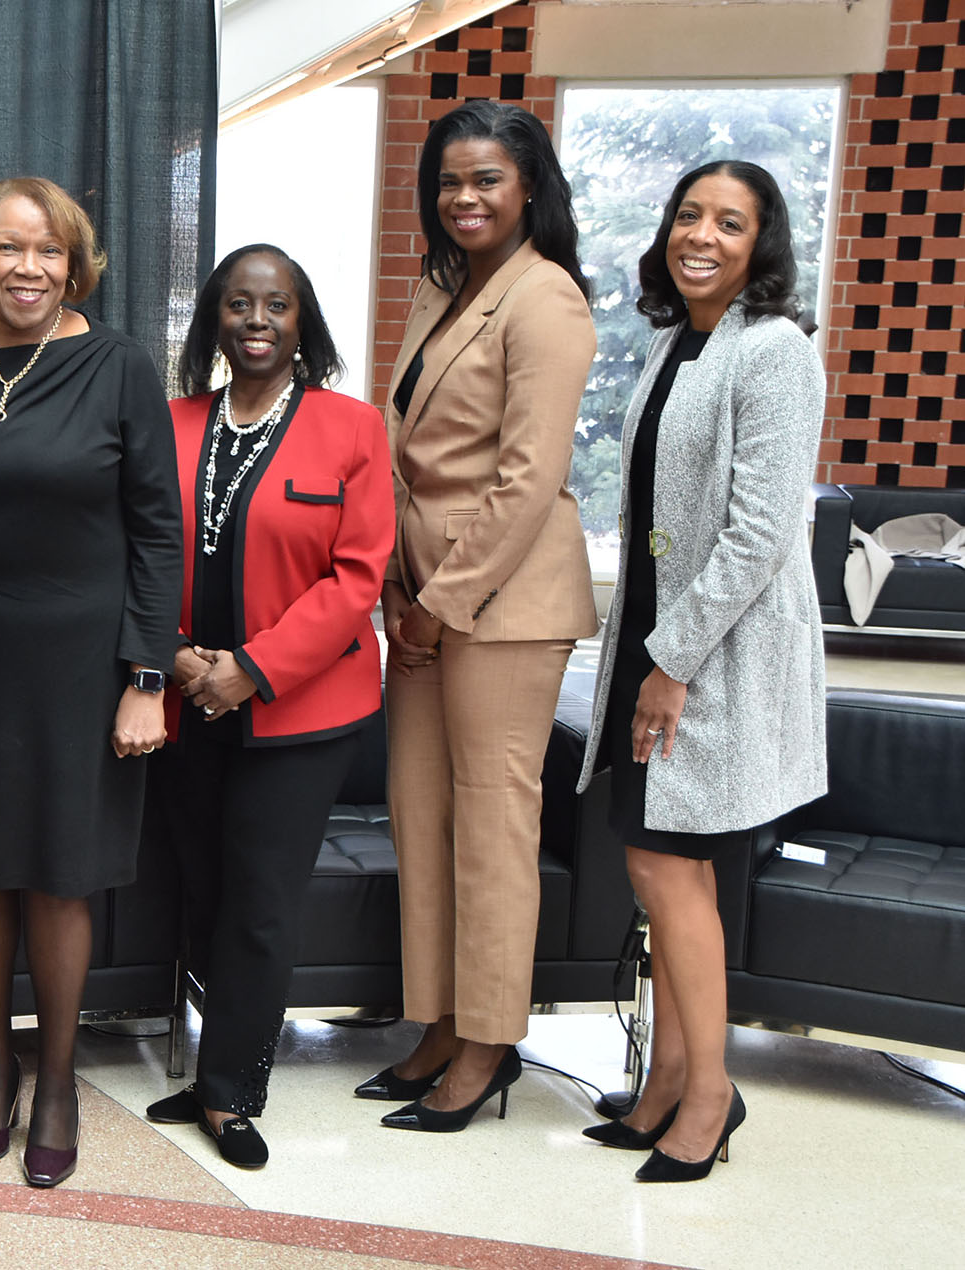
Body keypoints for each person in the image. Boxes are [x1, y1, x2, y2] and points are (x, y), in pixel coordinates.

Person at [0, 177, 181, 1187]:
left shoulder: (116, 366)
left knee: (63, 876)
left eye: (48, 250)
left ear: (75, 262)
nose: (27, 268)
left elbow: (156, 531)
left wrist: (145, 675)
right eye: (7, 249)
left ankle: (59, 1081)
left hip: (84, 666)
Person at [576, 161, 825, 1182]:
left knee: (673, 870)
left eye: (730, 222)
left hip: (714, 653)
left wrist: (670, 662)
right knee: (655, 867)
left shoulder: (773, 352)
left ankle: (709, 1098)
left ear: (759, 245)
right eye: (689, 215)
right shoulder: (677, 342)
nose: (703, 236)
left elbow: (761, 530)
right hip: (654, 632)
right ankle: (669, 1079)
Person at [369, 100, 598, 1131]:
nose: (464, 198)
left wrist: (440, 605)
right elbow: (404, 447)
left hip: (501, 604)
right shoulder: (440, 288)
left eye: (486, 181)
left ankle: (489, 1045)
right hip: (418, 595)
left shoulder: (545, 298)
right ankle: (439, 1020)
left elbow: (525, 478)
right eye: (449, 181)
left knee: (494, 828)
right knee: (422, 817)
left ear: (529, 188)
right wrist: (394, 587)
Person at [143, 245, 393, 1167]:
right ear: (213, 319)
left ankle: (230, 1090)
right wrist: (174, 660)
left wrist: (250, 666)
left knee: (258, 899)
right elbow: (137, 553)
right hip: (181, 702)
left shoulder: (352, 429)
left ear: (302, 323)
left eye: (276, 306)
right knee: (201, 888)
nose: (256, 320)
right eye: (238, 304)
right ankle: (217, 1063)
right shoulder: (168, 423)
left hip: (298, 710)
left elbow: (355, 579)